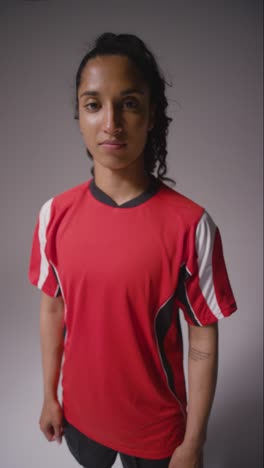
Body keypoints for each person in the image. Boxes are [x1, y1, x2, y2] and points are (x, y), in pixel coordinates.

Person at [28, 32, 237, 468]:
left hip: (158, 431)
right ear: (79, 115)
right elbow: (53, 310)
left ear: (152, 114)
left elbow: (203, 335)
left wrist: (193, 442)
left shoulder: (191, 225)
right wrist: (49, 396)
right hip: (82, 419)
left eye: (128, 103)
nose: (111, 123)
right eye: (93, 104)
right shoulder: (55, 214)